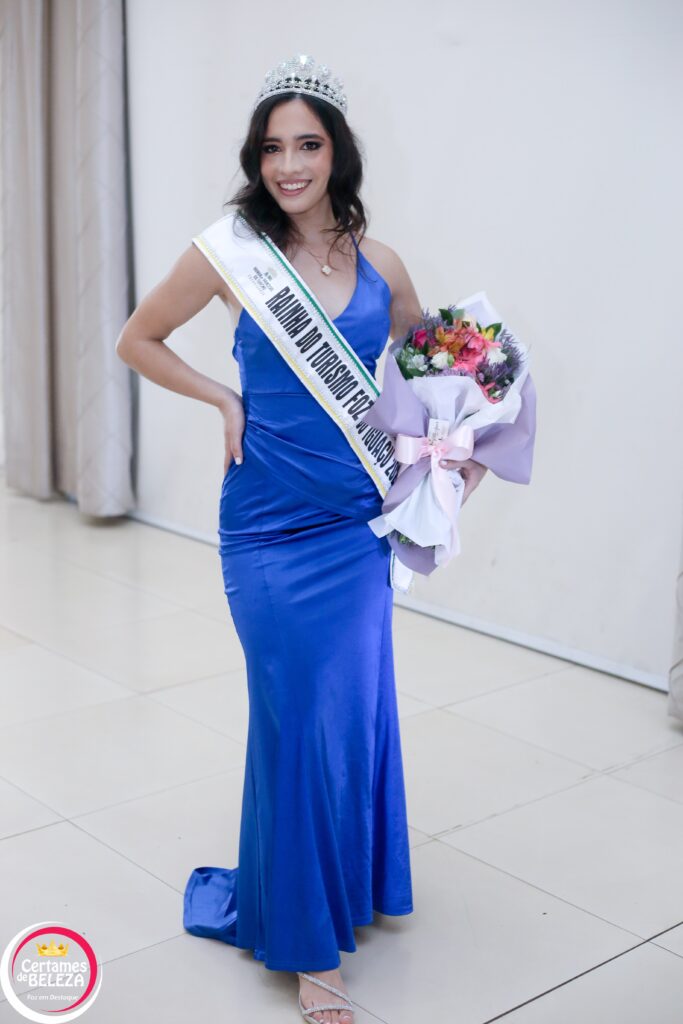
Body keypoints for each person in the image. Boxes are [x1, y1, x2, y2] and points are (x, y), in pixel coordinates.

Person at [115, 53, 488, 1024]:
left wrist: (461, 442)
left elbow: (430, 369)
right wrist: (219, 395)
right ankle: (306, 947)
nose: (289, 164)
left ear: (337, 153)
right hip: (268, 532)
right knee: (297, 718)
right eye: (272, 147)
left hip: (355, 529)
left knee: (352, 711)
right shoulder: (232, 252)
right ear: (256, 158)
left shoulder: (380, 262)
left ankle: (339, 885)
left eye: (307, 144)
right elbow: (138, 337)